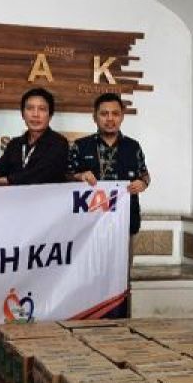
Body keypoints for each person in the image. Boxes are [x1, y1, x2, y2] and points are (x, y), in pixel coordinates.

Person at [68, 91, 151, 272]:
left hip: (125, 223)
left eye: (115, 113)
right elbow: (65, 176)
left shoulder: (133, 146)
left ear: (122, 116)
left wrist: (143, 183)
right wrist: (79, 176)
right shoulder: (80, 146)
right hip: (89, 225)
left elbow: (145, 174)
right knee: (89, 273)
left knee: (121, 275)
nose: (110, 119)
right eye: (104, 114)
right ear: (95, 117)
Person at [0, 87, 68, 187]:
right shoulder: (15, 144)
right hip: (14, 197)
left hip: (47, 196)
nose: (35, 114)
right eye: (30, 108)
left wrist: (0, 181)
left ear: (50, 115)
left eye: (42, 109)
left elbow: (39, 175)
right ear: (22, 114)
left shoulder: (59, 143)